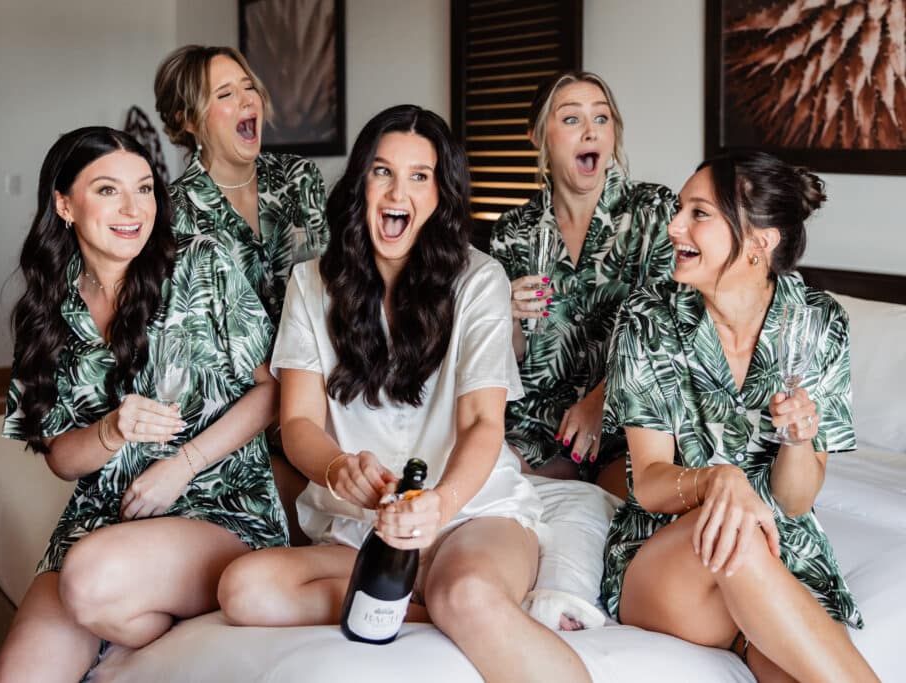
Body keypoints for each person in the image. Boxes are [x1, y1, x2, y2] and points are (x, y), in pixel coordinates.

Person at [216, 105, 592, 682]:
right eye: (382, 171)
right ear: (360, 182)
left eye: (421, 175)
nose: (399, 190)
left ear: (441, 194)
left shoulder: (478, 280)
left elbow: (482, 424)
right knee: (244, 590)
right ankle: (418, 601)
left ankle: (439, 598)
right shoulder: (310, 283)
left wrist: (440, 505)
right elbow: (297, 424)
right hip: (359, 527)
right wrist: (338, 466)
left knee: (465, 596)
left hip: (471, 513)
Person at [0, 127, 287, 682]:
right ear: (64, 205)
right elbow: (59, 457)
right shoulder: (49, 311)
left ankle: (133, 621)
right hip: (100, 520)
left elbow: (272, 392)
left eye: (145, 188)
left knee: (89, 581)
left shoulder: (202, 265)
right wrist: (111, 430)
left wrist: (183, 465)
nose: (133, 209)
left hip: (219, 508)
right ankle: (144, 623)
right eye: (107, 191)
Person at [602, 151, 878, 682]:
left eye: (698, 213)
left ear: (759, 240)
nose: (675, 224)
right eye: (681, 209)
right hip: (668, 566)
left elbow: (795, 501)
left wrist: (799, 439)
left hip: (779, 561)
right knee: (740, 531)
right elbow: (652, 485)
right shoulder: (647, 318)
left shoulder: (818, 323)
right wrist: (719, 482)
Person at [489, 71, 676, 498]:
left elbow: (666, 330)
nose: (591, 130)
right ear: (538, 137)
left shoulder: (654, 213)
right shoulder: (512, 231)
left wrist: (598, 402)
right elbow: (512, 356)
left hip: (629, 428)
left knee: (639, 507)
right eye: (572, 119)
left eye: (602, 118)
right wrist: (508, 316)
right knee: (489, 488)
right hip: (534, 432)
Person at [154, 44, 330, 327]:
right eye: (225, 94)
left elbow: (335, 279)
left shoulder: (300, 177)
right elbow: (188, 329)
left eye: (249, 87)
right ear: (187, 120)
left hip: (317, 366)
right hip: (236, 372)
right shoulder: (173, 212)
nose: (247, 100)